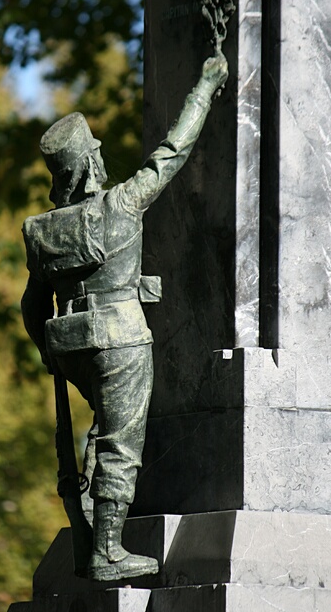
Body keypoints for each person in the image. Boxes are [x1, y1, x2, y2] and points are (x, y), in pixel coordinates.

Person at [21, 53, 228, 581]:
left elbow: (31, 303)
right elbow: (172, 152)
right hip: (120, 341)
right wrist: (203, 87)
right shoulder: (121, 205)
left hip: (69, 343)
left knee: (99, 432)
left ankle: (88, 526)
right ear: (90, 166)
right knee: (120, 440)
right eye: (96, 155)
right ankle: (107, 551)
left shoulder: (44, 230)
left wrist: (48, 350)